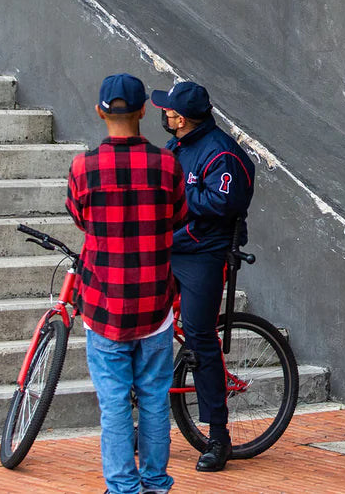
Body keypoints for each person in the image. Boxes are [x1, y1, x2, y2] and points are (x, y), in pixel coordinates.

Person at [65, 73, 187, 494]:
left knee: (114, 402)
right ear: (141, 112)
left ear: (101, 111)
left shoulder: (83, 167)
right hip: (154, 302)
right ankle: (155, 482)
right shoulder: (167, 164)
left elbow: (80, 218)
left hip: (104, 302)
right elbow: (177, 217)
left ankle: (122, 487)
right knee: (154, 397)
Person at [150, 80, 256, 473]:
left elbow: (221, 204)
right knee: (144, 326)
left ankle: (218, 437)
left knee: (199, 334)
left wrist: (176, 195)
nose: (165, 114)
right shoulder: (176, 146)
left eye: (170, 110)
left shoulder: (222, 155)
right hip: (169, 248)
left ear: (185, 117)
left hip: (203, 254)